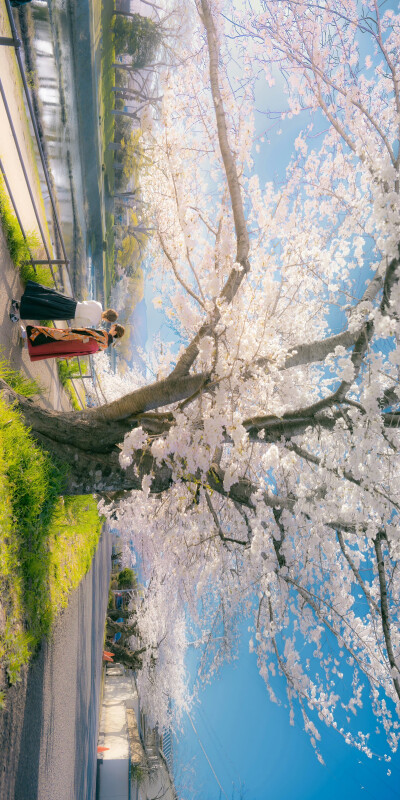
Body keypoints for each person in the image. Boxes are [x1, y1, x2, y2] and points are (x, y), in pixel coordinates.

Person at [10, 281, 118, 327]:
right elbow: (78, 321)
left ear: (108, 310)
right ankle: (17, 315)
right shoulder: (94, 321)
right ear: (108, 320)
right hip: (68, 313)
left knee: (46, 298)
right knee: (43, 311)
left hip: (71, 302)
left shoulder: (98, 304)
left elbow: (85, 302)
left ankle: (18, 303)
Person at [25, 323, 125, 362]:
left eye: (113, 327)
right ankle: (27, 345)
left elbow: (87, 331)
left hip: (73, 338)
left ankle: (25, 335)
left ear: (115, 331)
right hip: (74, 348)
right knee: (54, 347)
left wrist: (72, 330)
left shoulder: (104, 334)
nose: (111, 327)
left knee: (52, 335)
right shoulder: (105, 346)